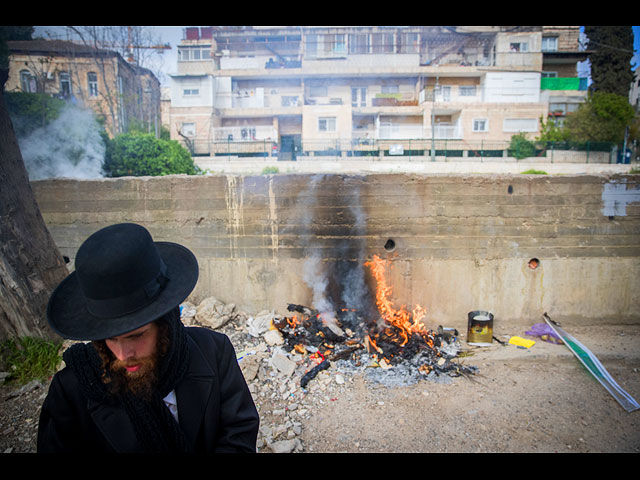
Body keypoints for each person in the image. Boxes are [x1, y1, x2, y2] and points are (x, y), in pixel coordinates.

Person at [37, 223, 260, 453]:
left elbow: (238, 433)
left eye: (136, 336)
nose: (123, 355)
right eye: (110, 339)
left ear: (165, 325)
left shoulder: (214, 351)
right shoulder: (73, 390)